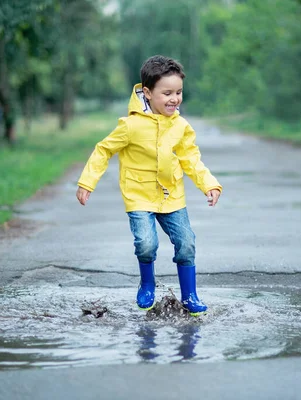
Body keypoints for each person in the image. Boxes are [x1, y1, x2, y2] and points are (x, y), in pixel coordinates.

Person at [75, 55, 222, 315]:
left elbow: (191, 158)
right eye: (167, 93)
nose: (174, 99)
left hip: (171, 195)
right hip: (139, 195)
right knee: (146, 244)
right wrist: (88, 182)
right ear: (147, 93)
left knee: (186, 242)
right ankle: (147, 284)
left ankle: (190, 295)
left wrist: (209, 184)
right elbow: (103, 150)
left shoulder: (180, 126)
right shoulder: (130, 125)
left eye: (178, 92)